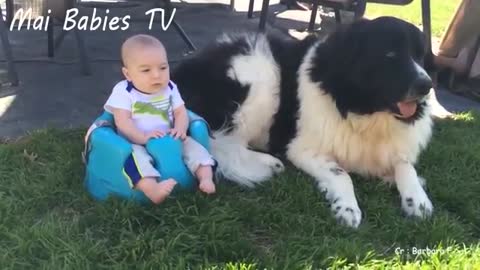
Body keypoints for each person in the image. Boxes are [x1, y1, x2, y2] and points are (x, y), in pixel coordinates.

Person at [103, 34, 216, 204]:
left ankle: (205, 178)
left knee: (197, 150)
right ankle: (152, 189)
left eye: (163, 68)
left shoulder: (170, 87)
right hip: (136, 142)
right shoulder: (124, 92)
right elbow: (122, 121)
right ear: (128, 74)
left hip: (170, 136)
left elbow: (180, 112)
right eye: (146, 70)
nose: (157, 75)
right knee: (135, 162)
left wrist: (180, 128)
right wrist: (142, 137)